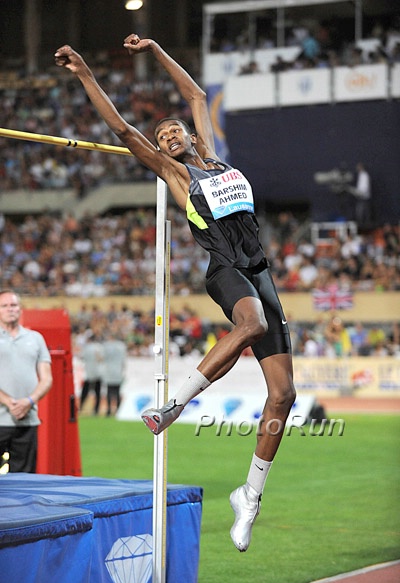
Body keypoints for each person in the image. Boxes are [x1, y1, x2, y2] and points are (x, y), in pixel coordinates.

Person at [55, 34, 296, 552]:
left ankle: (249, 496)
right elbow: (121, 127)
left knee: (284, 395)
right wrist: (85, 75)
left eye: (173, 132)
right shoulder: (178, 174)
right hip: (225, 269)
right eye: (161, 136)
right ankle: (173, 406)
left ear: (189, 135)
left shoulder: (219, 160)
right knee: (249, 325)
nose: (166, 137)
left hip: (260, 272)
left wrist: (157, 49)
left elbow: (195, 96)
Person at [0, 290, 53, 473]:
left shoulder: (35, 338)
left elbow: (46, 378)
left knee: (24, 480)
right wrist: (9, 401)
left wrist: (28, 401)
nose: (10, 309)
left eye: (13, 305)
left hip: (27, 420)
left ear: (20, 309)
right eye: (4, 305)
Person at [102, 333, 127, 416]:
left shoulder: (106, 346)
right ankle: (118, 410)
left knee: (109, 391)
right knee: (117, 391)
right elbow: (124, 361)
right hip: (118, 371)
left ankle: (109, 410)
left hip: (109, 371)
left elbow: (102, 358)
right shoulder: (122, 346)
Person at [80, 333, 104, 415]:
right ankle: (96, 409)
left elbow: (82, 357)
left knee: (85, 391)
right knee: (97, 392)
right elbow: (102, 359)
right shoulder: (99, 347)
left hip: (88, 372)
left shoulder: (86, 348)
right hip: (98, 372)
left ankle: (80, 407)